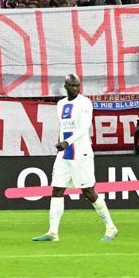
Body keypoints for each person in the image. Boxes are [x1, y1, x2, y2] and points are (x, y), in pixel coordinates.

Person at [33, 74, 117, 242]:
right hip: (64, 154)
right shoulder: (61, 104)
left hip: (81, 154)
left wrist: (67, 142)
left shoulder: (85, 103)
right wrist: (61, 141)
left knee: (88, 191)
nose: (76, 89)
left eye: (78, 86)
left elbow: (84, 127)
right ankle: (53, 232)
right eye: (72, 86)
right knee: (57, 189)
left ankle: (110, 227)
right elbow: (64, 127)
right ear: (65, 86)